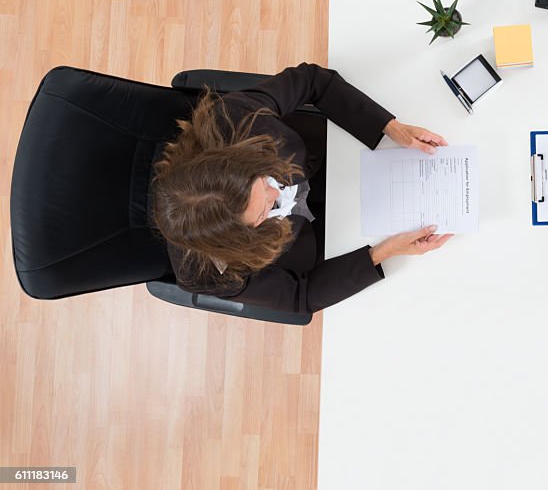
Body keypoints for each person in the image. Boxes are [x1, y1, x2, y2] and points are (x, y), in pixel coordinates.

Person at [151, 63, 452, 313]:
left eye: (262, 182)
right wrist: (384, 252)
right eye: (264, 210)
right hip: (323, 238)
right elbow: (300, 296)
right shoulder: (207, 274)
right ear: (239, 242)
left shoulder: (230, 120)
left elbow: (313, 82)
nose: (276, 193)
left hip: (330, 157)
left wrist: (390, 127)